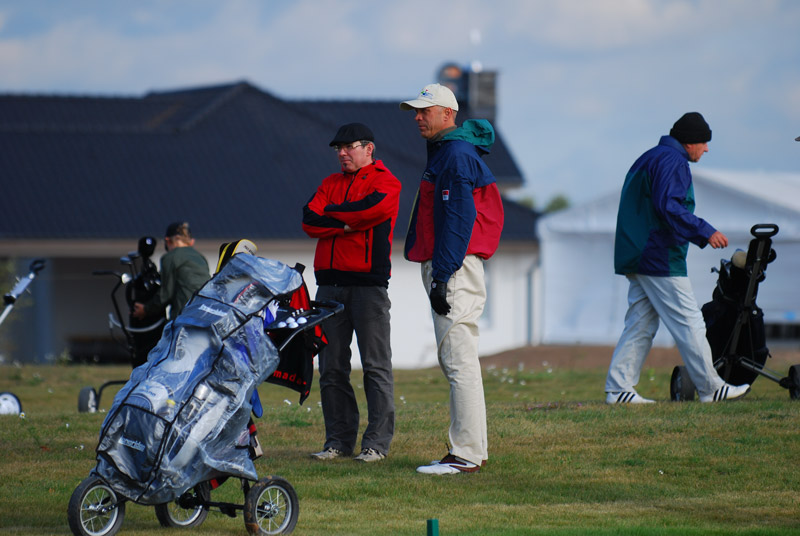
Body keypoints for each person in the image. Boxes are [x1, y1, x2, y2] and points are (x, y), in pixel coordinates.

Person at [605, 112, 751, 404]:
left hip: (637, 253)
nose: (706, 149)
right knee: (690, 321)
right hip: (658, 255)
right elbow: (668, 206)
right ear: (690, 142)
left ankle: (618, 389)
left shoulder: (648, 157)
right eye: (704, 142)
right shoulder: (674, 161)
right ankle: (712, 388)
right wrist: (705, 231)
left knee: (640, 324)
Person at [400, 83, 504, 474]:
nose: (417, 117)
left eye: (424, 111)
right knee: (457, 359)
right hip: (455, 265)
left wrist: (441, 277)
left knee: (459, 361)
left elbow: (458, 221)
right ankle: (469, 449)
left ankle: (466, 455)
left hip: (455, 267)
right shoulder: (451, 153)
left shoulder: (455, 156)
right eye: (416, 111)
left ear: (447, 113)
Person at [302, 123, 401, 463]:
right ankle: (338, 442)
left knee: (375, 366)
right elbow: (308, 219)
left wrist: (334, 217)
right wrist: (346, 224)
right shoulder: (329, 183)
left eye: (348, 147)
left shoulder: (387, 182)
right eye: (338, 149)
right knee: (330, 367)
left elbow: (371, 211)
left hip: (368, 288)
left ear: (368, 148)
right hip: (328, 286)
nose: (341, 153)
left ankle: (376, 444)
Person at [133, 221, 210, 322]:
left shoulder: (169, 257)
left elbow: (165, 294)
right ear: (191, 242)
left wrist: (146, 309)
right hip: (205, 314)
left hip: (184, 316)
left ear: (167, 241)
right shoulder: (200, 257)